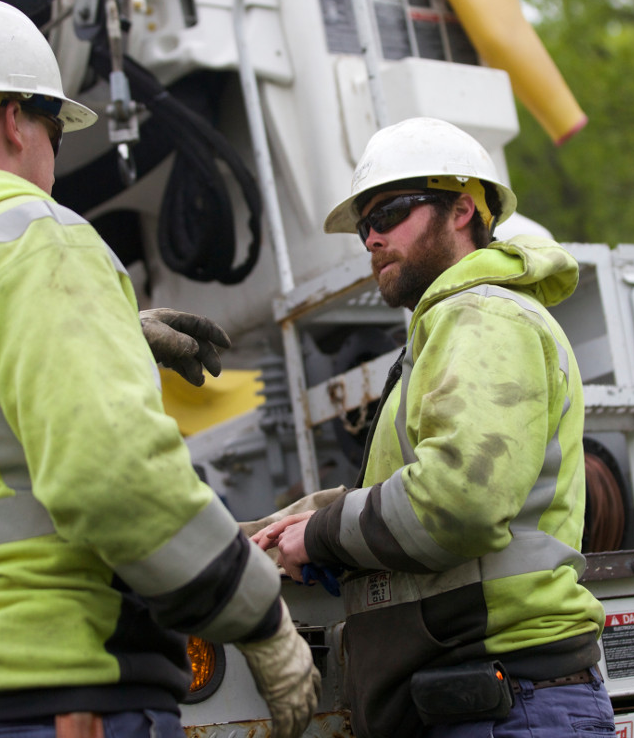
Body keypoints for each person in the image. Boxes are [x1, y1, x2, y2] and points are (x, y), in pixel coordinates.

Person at [0, 0, 318, 738]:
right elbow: (115, 481)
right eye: (54, 128)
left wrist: (102, 331)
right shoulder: (32, 236)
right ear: (18, 118)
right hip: (62, 692)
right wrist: (261, 618)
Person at [254, 117, 614, 737]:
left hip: (506, 699)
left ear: (462, 210)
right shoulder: (449, 328)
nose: (371, 238)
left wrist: (324, 537)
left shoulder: (481, 316)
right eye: (364, 225)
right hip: (481, 697)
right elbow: (430, 491)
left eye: (389, 213)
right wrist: (310, 526)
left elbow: (461, 500)